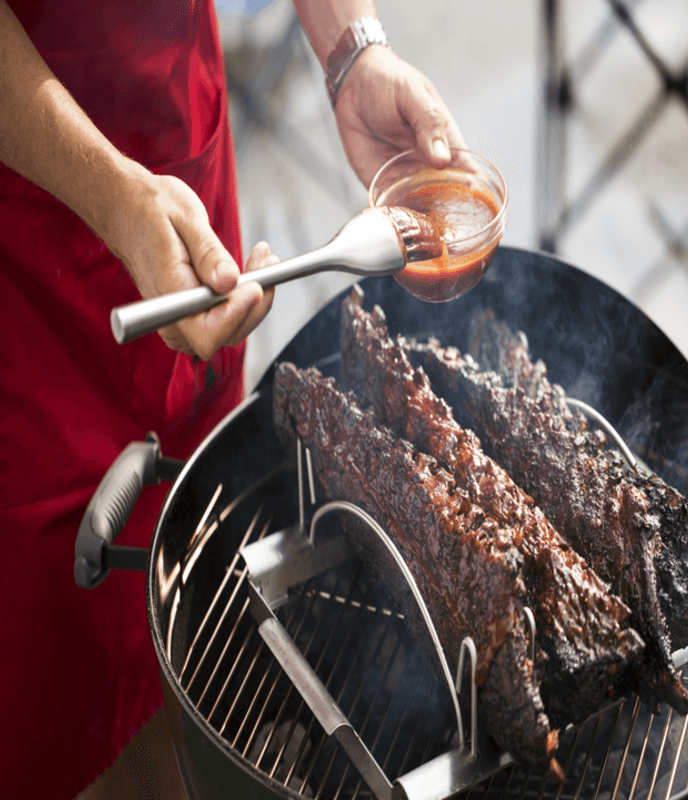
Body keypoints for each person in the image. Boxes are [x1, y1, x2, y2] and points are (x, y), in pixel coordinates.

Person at [0, 1, 466, 797]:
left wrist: (351, 48)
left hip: (179, 137)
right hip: (27, 243)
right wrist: (114, 196)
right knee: (52, 667)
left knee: (198, 595)